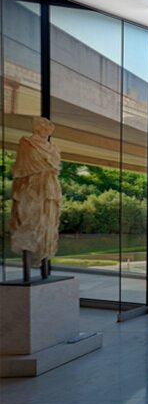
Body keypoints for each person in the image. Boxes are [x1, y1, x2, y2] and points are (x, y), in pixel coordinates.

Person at [10, 117, 61, 282]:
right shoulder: (27, 143)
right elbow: (21, 167)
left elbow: (55, 168)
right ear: (36, 128)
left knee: (48, 223)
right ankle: (29, 254)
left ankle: (44, 253)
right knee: (30, 222)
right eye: (42, 126)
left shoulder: (54, 148)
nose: (46, 129)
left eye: (48, 127)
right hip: (31, 187)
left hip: (49, 187)